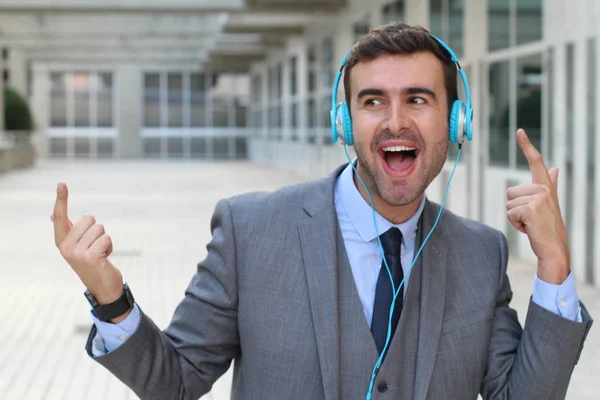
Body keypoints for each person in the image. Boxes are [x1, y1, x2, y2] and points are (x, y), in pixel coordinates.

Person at [52, 22, 593, 400]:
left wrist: (554, 267)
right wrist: (112, 299)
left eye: (419, 99)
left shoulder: (481, 251)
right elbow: (174, 383)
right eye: (373, 100)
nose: (396, 121)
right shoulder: (252, 231)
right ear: (345, 121)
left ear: (456, 124)